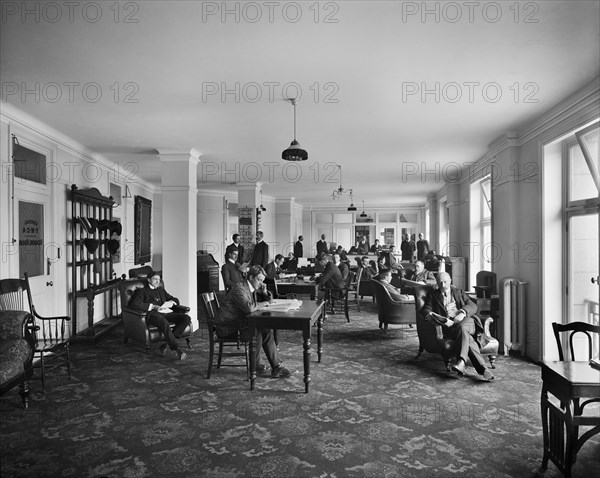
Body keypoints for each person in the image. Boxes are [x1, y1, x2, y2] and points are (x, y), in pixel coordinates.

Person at [214, 266, 291, 378]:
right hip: (227, 327)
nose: (261, 283)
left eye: (262, 281)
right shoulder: (239, 289)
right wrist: (263, 304)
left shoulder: (250, 288)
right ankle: (257, 365)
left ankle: (276, 366)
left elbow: (270, 301)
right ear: (251, 277)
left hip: (238, 323)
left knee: (265, 329)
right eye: (259, 280)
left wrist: (264, 292)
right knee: (257, 331)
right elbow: (248, 308)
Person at [421, 272, 494, 381]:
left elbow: (473, 306)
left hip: (468, 322)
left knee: (463, 326)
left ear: (450, 281)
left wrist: (463, 313)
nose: (443, 284)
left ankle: (461, 361)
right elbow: (425, 309)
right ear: (437, 283)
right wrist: (433, 316)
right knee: (467, 338)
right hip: (451, 327)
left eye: (445, 281)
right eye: (440, 282)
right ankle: (484, 369)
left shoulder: (459, 292)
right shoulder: (433, 294)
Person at [129, 273, 191, 360]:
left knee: (186, 318)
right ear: (149, 280)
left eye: (159, 279)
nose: (158, 281)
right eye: (155, 279)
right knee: (163, 322)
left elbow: (175, 299)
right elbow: (135, 304)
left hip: (166, 312)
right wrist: (153, 306)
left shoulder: (161, 290)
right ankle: (176, 349)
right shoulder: (142, 291)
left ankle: (166, 344)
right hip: (152, 314)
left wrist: (171, 302)